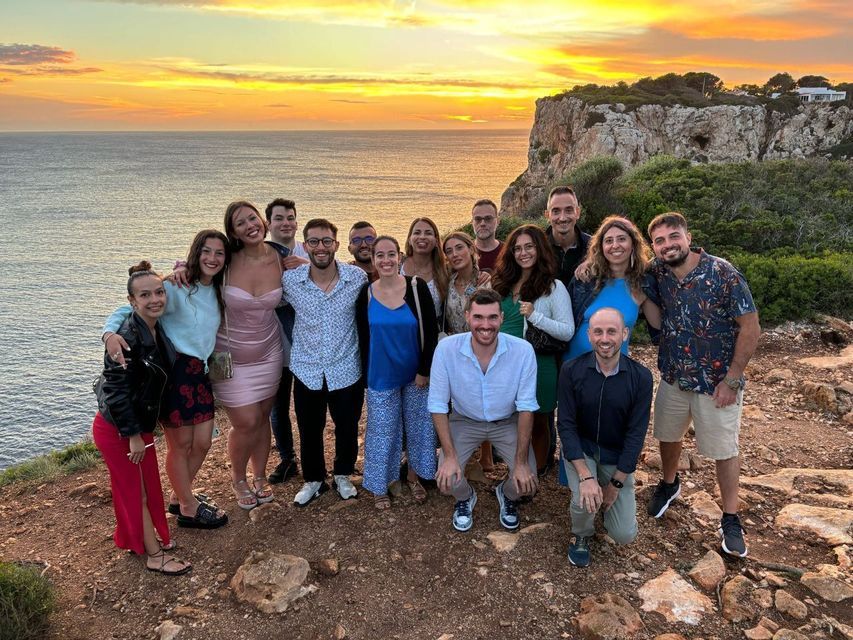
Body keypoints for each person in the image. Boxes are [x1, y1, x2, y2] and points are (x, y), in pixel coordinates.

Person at [645, 212, 760, 558]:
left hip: (716, 384)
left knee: (724, 450)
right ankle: (669, 483)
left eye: (673, 236)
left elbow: (751, 328)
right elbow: (648, 306)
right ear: (654, 246)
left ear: (688, 236)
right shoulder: (657, 273)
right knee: (667, 434)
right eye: (660, 240)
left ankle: (730, 516)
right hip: (674, 376)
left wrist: (733, 378)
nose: (668, 245)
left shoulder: (722, 272)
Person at [103, 231, 230, 529]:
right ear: (196, 253)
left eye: (219, 253)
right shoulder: (175, 285)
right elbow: (130, 306)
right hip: (175, 372)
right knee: (181, 445)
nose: (212, 258)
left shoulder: (219, 288)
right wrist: (109, 333)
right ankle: (187, 506)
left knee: (203, 443)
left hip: (199, 371)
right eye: (206, 251)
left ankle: (179, 494)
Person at [93, 261, 191, 575]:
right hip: (120, 429)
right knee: (139, 492)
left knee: (146, 484)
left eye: (159, 292)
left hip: (137, 425)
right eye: (145, 295)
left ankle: (146, 538)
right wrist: (134, 435)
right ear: (132, 302)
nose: (155, 300)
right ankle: (154, 555)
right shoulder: (127, 339)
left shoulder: (154, 327)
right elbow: (117, 390)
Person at [429, 289, 538, 532]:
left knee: (526, 483)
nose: (485, 325)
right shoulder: (447, 349)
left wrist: (520, 463)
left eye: (492, 318)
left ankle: (506, 493)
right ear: (467, 317)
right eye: (478, 317)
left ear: (501, 318)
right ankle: (466, 497)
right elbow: (437, 404)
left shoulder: (522, 351)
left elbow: (527, 407)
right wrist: (449, 456)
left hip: (506, 420)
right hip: (465, 419)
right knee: (446, 481)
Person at [557, 308, 653, 567]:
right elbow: (565, 425)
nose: (605, 338)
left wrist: (616, 484)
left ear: (624, 333)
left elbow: (636, 435)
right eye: (598, 331)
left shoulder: (641, 378)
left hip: (615, 454)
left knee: (624, 534)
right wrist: (585, 476)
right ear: (589, 335)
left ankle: (602, 496)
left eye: (612, 331)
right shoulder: (571, 370)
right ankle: (581, 534)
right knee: (584, 499)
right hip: (582, 450)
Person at [283, 218, 368, 506]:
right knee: (309, 428)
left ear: (337, 245)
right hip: (307, 368)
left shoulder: (356, 279)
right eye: (315, 242)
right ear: (305, 246)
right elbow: (255, 285)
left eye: (326, 241)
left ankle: (343, 473)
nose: (321, 248)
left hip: (346, 366)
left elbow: (392, 277)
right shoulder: (290, 281)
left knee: (347, 425)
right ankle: (314, 479)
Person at [355, 236, 439, 509]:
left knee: (419, 428)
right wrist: (365, 376)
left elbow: (431, 331)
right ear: (373, 260)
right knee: (382, 431)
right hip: (381, 374)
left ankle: (414, 476)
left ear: (400, 257)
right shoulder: (366, 294)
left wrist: (425, 369)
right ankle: (382, 484)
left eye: (391, 254)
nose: (386, 260)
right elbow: (363, 338)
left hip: (415, 374)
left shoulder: (417, 287)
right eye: (380, 255)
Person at [215, 201, 284, 510]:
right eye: (240, 223)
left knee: (262, 417)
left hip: (269, 352)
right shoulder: (224, 262)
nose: (249, 225)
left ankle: (259, 475)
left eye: (252, 218)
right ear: (233, 232)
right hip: (227, 358)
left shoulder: (282, 260)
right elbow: (183, 281)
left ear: (263, 221)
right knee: (246, 421)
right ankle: (238, 479)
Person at [492, 224, 574, 473]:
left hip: (538, 364)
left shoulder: (553, 287)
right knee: (511, 419)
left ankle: (535, 474)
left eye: (529, 247)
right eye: (517, 248)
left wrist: (535, 316)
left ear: (540, 249)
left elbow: (567, 330)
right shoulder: (503, 284)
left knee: (538, 420)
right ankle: (515, 468)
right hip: (504, 364)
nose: (523, 253)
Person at [565, 216, 660, 362]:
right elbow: (564, 323)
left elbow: (660, 327)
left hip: (614, 372)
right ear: (601, 247)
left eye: (622, 239)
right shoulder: (586, 279)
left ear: (633, 244)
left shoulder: (642, 284)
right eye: (608, 241)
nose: (615, 245)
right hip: (573, 368)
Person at [264, 198, 307, 485]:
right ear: (268, 223)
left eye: (290, 217)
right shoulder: (260, 255)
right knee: (278, 408)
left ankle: (313, 459)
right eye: (279, 218)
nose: (286, 223)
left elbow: (334, 275)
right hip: (273, 343)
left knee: (307, 407)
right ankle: (287, 458)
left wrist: (305, 266)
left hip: (306, 344)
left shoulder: (308, 251)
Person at [544, 186, 590, 291]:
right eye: (556, 211)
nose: (563, 218)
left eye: (568, 210)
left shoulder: (593, 247)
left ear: (577, 213)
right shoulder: (537, 248)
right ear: (547, 215)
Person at [401, 217, 448, 316]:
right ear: (409, 239)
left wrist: (484, 273)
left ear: (436, 241)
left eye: (428, 233)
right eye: (417, 232)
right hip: (403, 330)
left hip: (433, 330)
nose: (422, 237)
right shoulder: (397, 266)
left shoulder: (445, 270)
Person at [471, 199, 502, 273]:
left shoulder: (507, 252)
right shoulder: (464, 253)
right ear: (472, 222)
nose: (482, 223)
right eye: (477, 219)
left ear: (498, 221)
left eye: (488, 218)